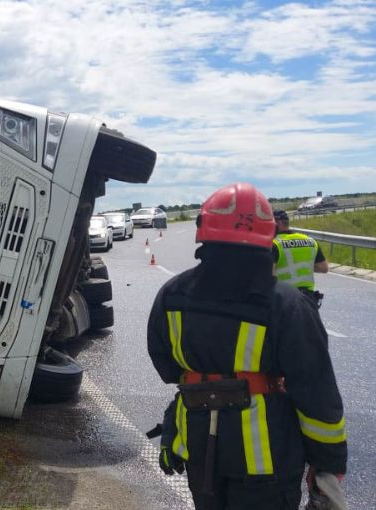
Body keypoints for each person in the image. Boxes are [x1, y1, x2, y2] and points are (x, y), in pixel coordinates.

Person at [147, 183, 347, 510]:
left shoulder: (172, 294)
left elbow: (167, 368)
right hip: (265, 460)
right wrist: (329, 463)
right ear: (268, 237)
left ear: (204, 231)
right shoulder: (288, 305)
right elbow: (316, 394)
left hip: (198, 446)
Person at [272, 209, 328, 307]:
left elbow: (269, 275)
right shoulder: (310, 240)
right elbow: (324, 268)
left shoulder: (274, 244)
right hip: (308, 298)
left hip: (284, 298)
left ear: (277, 224)